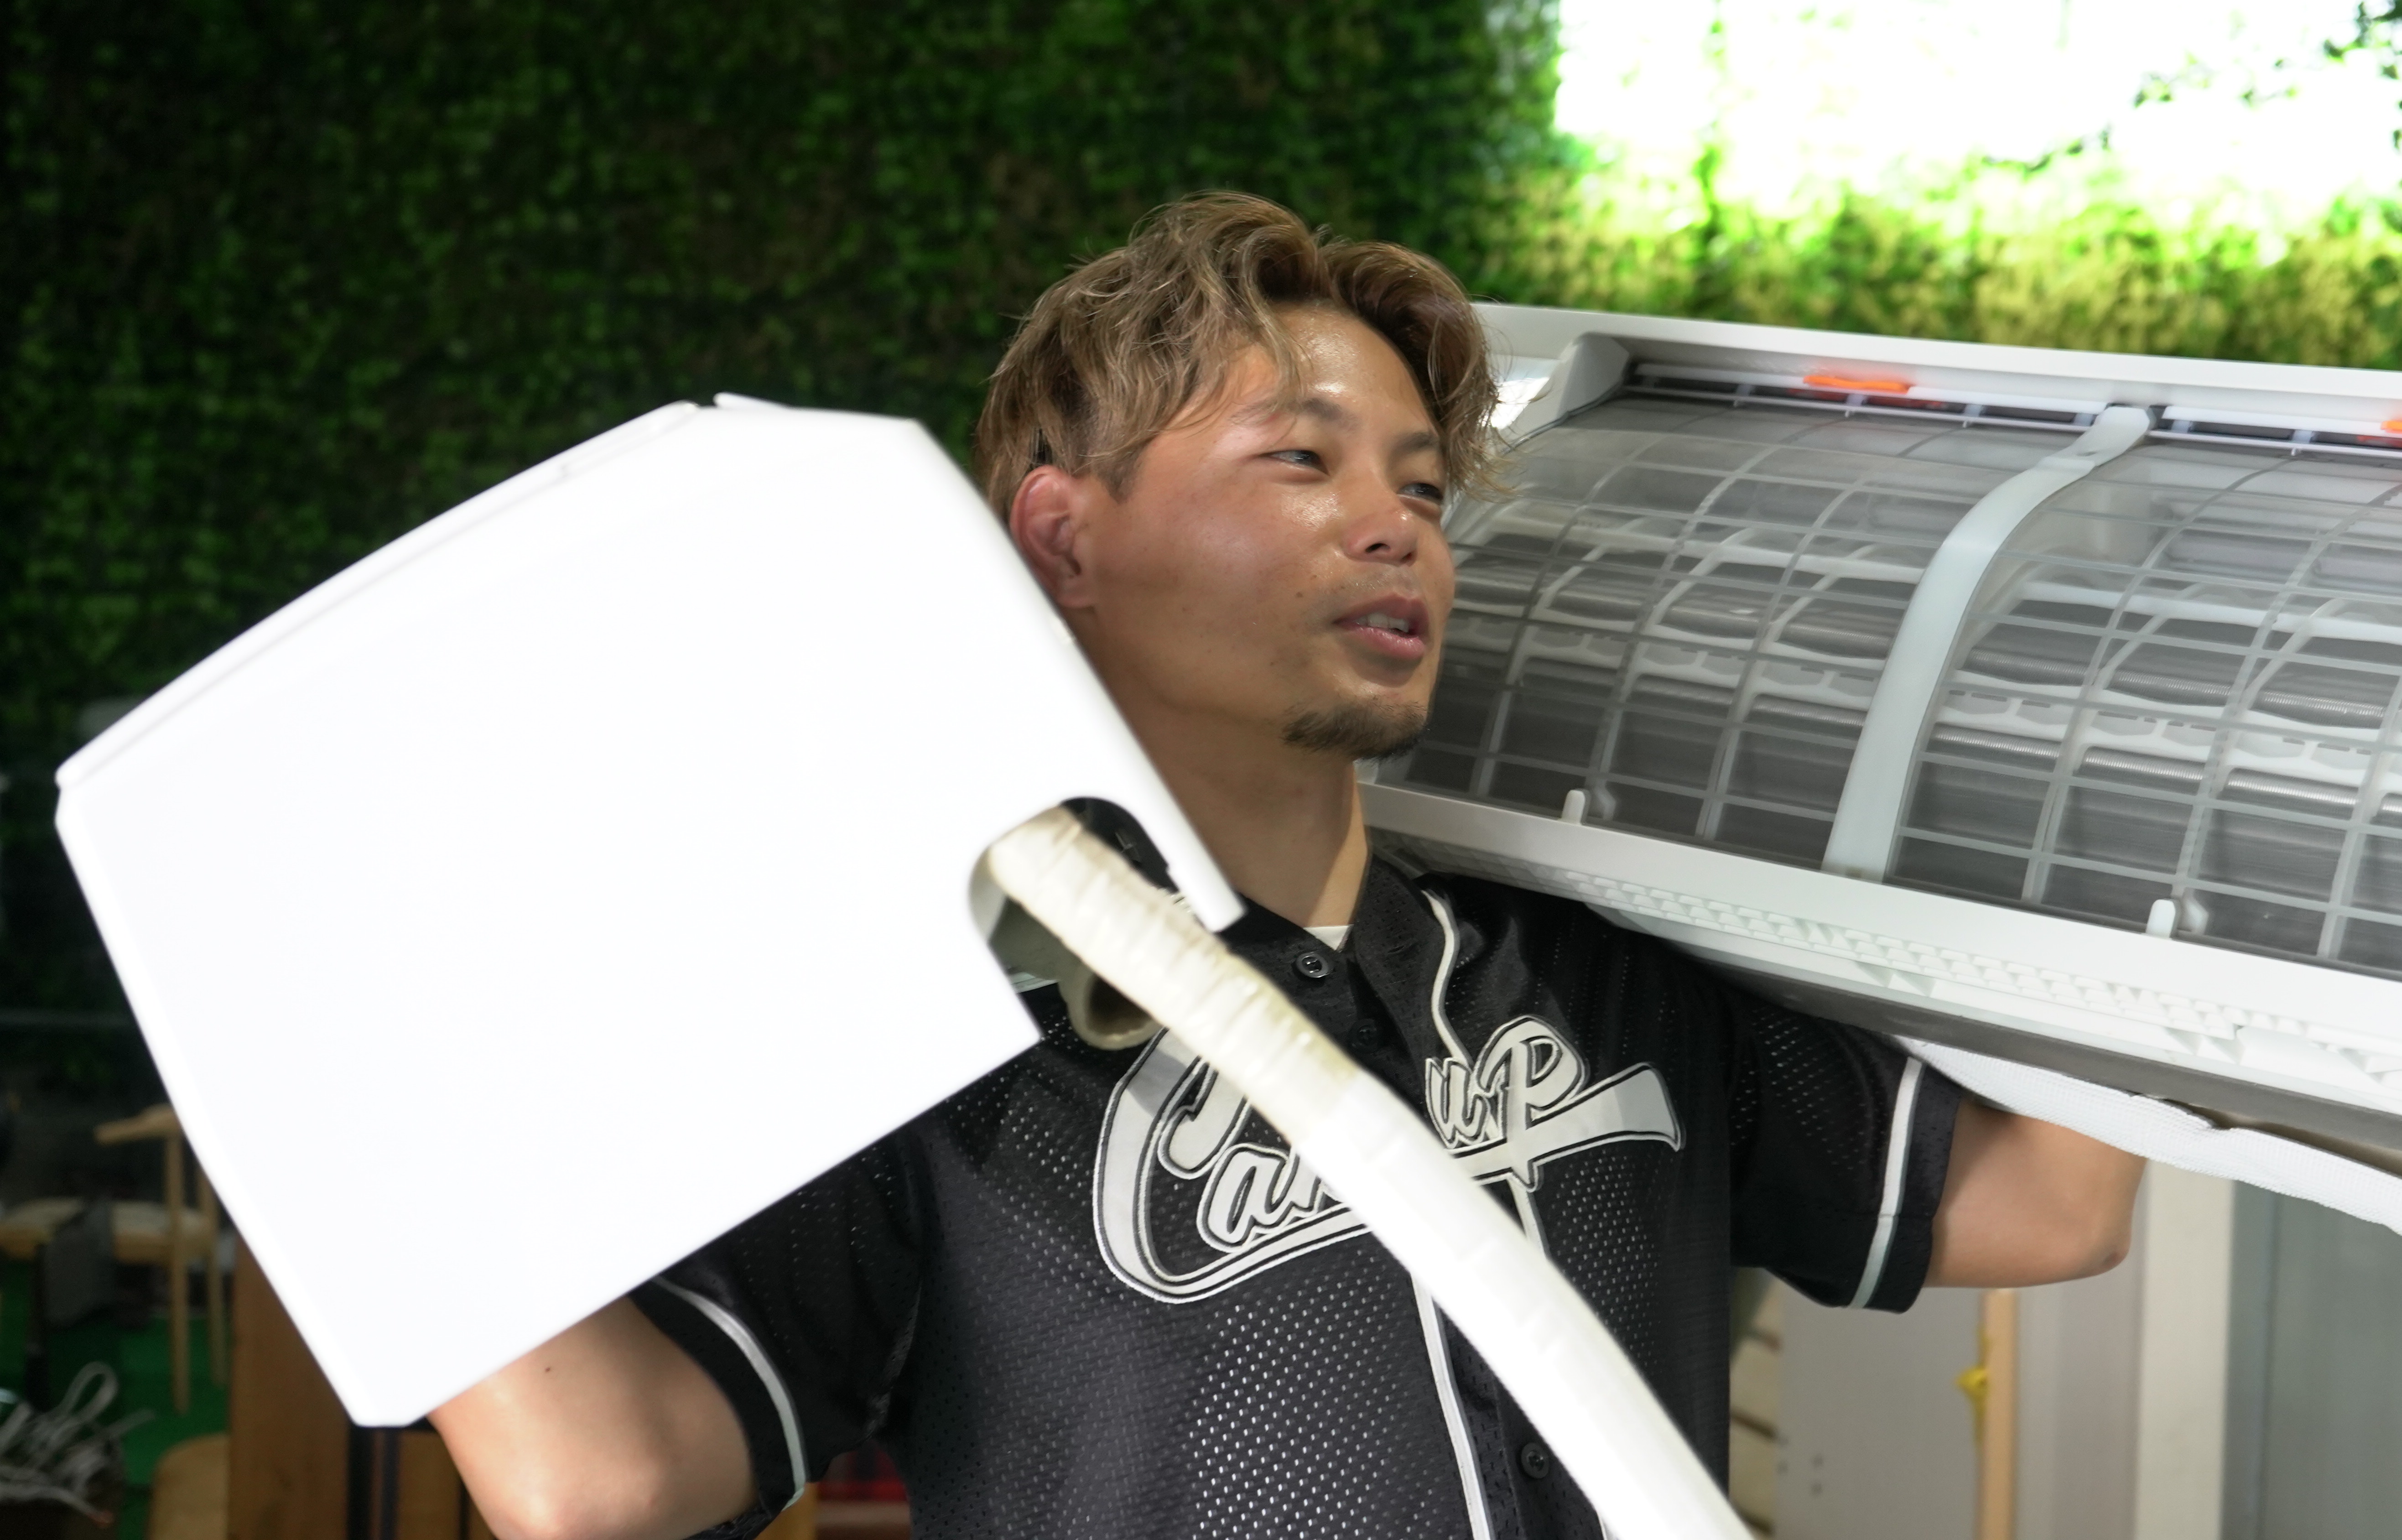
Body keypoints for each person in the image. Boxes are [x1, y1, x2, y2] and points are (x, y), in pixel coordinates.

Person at [432, 192, 2146, 1540]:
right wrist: (353, 1027)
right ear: (1066, 538)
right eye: (1301, 460)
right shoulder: (942, 1039)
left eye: (1424, 487)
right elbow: (591, 1481)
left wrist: (2111, 744)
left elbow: (2054, 1206)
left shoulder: (1596, 976)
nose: (1397, 525)